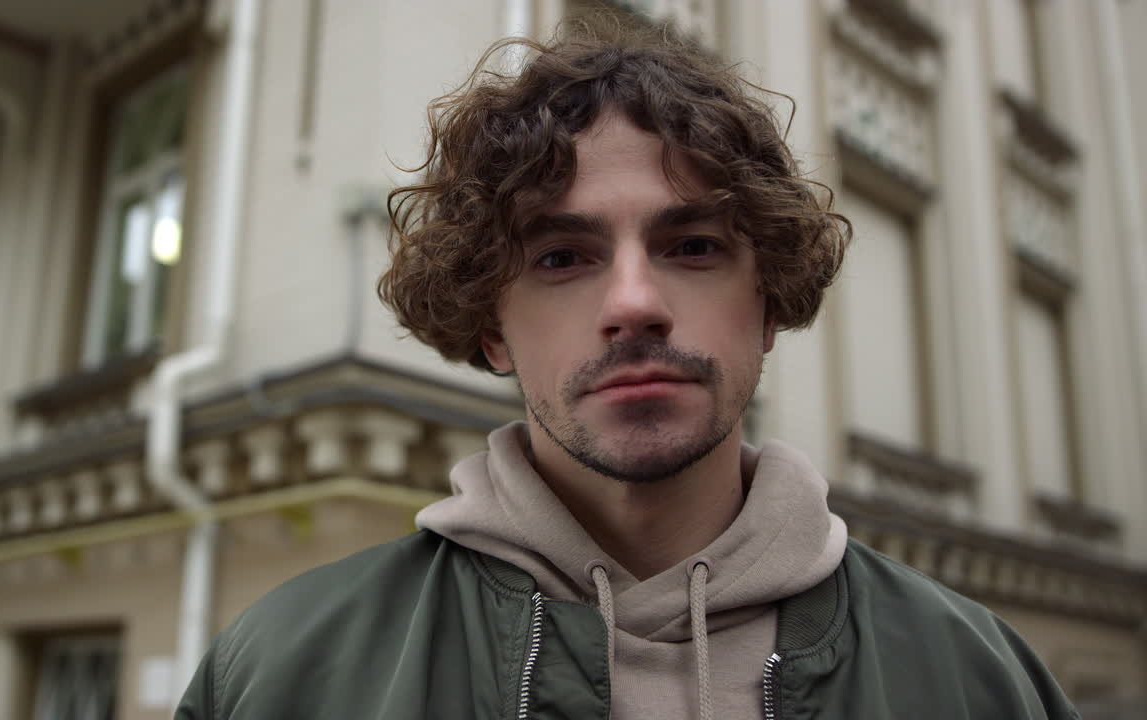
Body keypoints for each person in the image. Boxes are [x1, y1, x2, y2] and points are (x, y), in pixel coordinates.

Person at [176, 18, 1076, 720]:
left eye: (690, 244)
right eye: (563, 257)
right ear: (492, 329)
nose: (635, 302)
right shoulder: (280, 673)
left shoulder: (979, 677)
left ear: (768, 303)